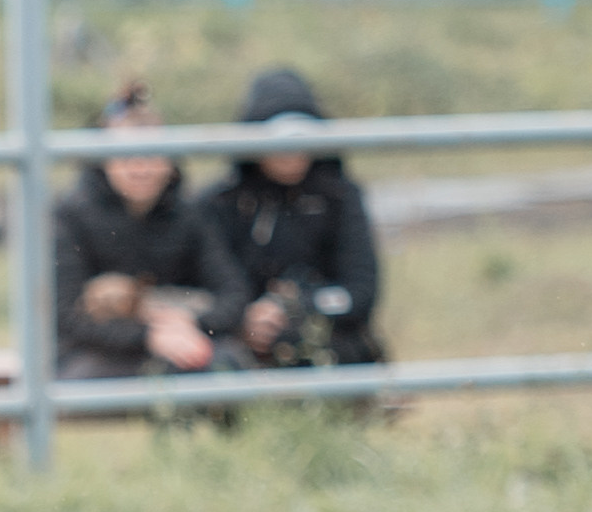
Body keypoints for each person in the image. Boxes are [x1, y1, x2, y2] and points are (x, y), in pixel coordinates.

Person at [200, 68, 385, 372]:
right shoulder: (219, 203)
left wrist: (294, 308)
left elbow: (361, 292)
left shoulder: (338, 198)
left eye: (302, 135)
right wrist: (243, 317)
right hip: (237, 335)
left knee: (342, 350)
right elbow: (210, 283)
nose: (291, 151)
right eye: (277, 138)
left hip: (320, 332)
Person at [53, 86, 233, 382]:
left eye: (151, 155)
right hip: (98, 351)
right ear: (104, 158)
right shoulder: (69, 216)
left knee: (225, 363)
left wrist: (189, 322)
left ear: (169, 161)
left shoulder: (189, 214)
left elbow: (232, 292)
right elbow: (65, 315)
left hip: (180, 337)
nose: (140, 168)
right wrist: (147, 336)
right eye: (126, 156)